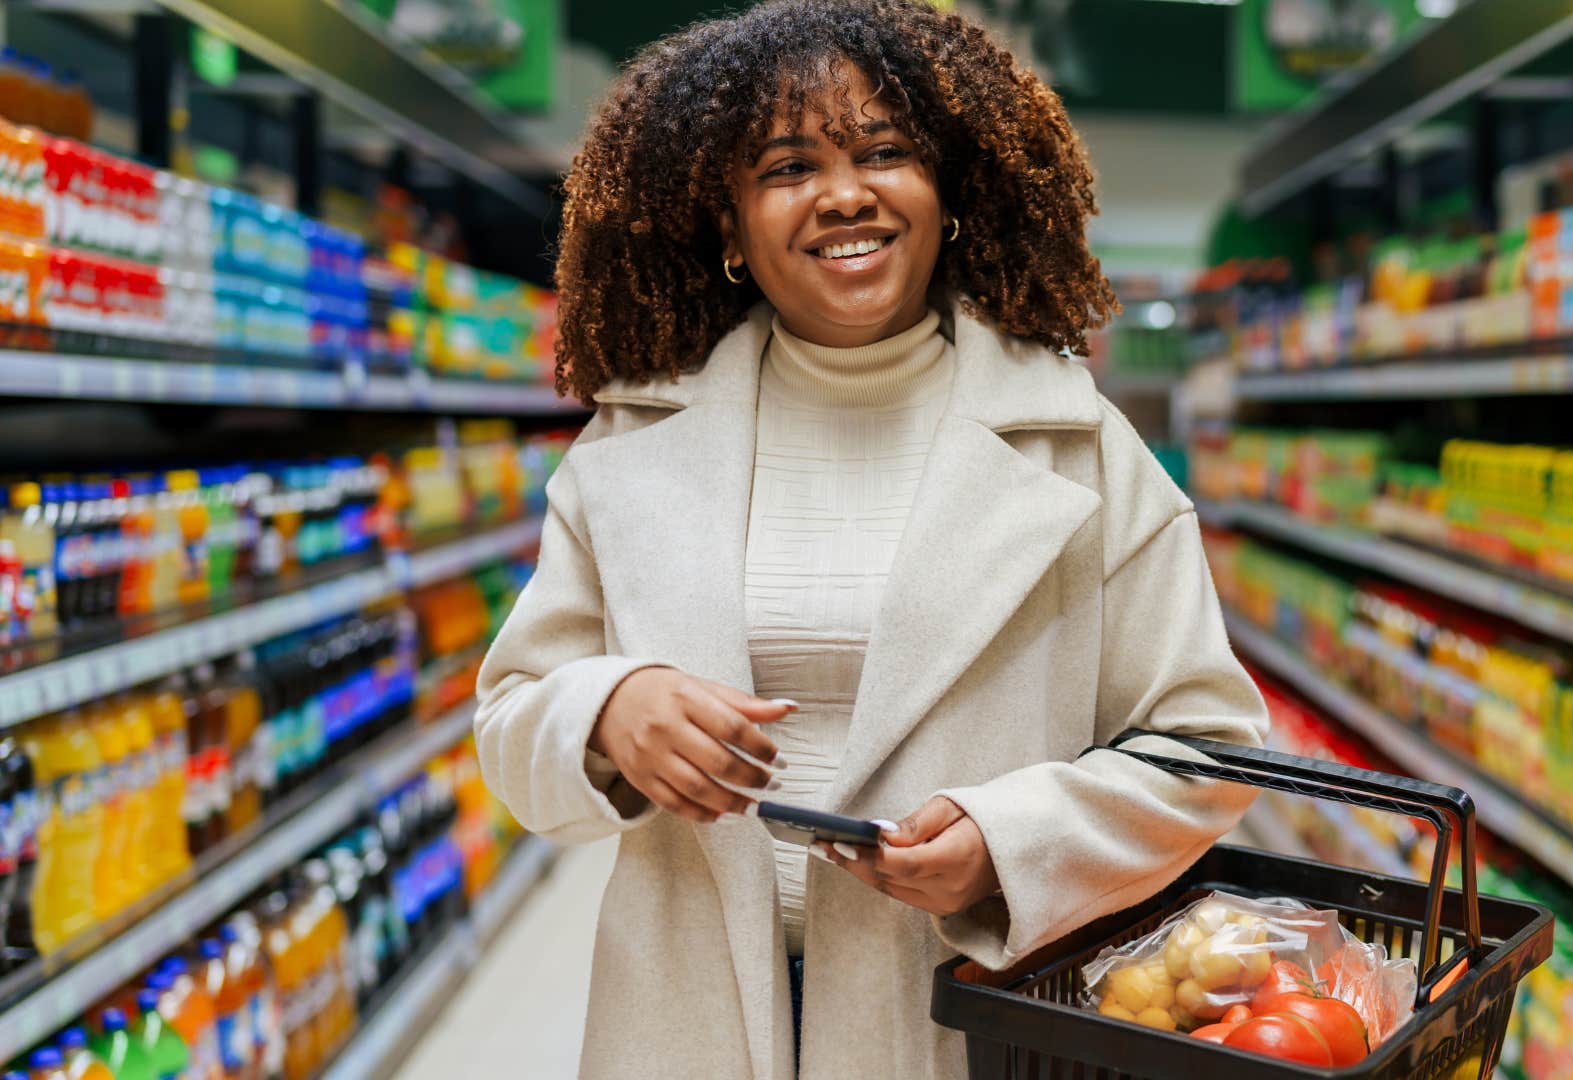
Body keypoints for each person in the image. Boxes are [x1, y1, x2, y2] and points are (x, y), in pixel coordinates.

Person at [472, 1, 1267, 1076]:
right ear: (730, 228)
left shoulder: (1078, 450)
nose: (845, 193)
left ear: (949, 196)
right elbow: (513, 718)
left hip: (956, 1011)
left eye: (886, 152)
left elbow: (1204, 747)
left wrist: (1011, 842)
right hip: (685, 1009)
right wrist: (606, 711)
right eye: (788, 166)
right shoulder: (632, 444)